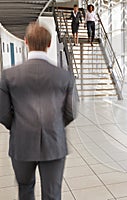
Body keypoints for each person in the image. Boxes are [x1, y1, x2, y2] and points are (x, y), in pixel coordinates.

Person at [0, 22, 78, 200]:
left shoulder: (9, 75)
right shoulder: (65, 75)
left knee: (25, 190)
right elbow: (71, 111)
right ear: (49, 44)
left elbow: (2, 112)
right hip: (54, 143)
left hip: (21, 143)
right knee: (52, 194)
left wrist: (18, 125)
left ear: (26, 42)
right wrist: (56, 124)